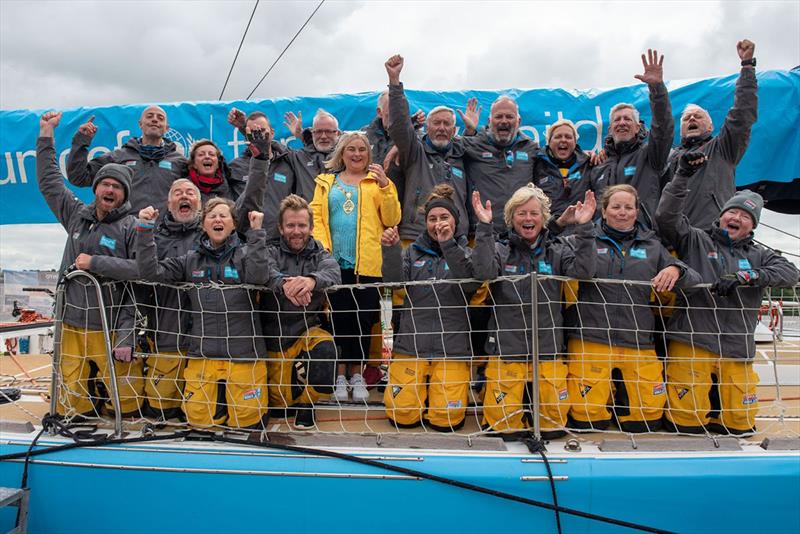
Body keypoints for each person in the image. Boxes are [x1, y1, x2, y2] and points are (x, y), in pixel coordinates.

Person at [656, 152, 800, 435]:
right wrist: (682, 175)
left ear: (753, 226)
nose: (737, 218)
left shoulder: (761, 255)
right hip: (692, 343)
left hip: (736, 349)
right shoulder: (696, 238)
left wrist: (748, 277)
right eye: (732, 212)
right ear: (721, 216)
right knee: (685, 423)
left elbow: (791, 273)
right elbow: (666, 215)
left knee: (740, 423)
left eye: (746, 216)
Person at [562, 184, 701, 433]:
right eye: (615, 207)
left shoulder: (653, 246)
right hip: (591, 336)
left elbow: (693, 277)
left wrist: (676, 269)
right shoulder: (580, 240)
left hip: (637, 337)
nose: (622, 212)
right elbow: (546, 249)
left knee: (646, 418)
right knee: (586, 419)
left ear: (637, 212)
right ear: (603, 212)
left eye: (628, 207)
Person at [37, 111, 143, 419]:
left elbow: (141, 272)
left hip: (110, 325)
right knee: (71, 394)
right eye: (105, 184)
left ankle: (125, 433)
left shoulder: (132, 227)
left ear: (124, 195)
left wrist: (97, 263)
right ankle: (76, 422)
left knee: (125, 398)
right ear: (95, 188)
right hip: (70, 321)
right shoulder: (76, 215)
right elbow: (49, 181)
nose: (110, 190)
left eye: (117, 187)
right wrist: (46, 134)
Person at [473, 184, 597, 437]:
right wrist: (484, 227)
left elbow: (584, 271)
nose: (528, 218)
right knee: (503, 429)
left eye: (534, 213)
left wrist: (584, 227)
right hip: (507, 348)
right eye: (521, 213)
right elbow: (484, 272)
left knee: (553, 427)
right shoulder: (499, 248)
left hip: (547, 348)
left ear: (544, 218)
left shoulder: (558, 250)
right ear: (511, 218)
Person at [136, 198, 270, 429]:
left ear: (233, 224)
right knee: (199, 421)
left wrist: (257, 234)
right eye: (212, 216)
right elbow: (150, 272)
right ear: (204, 224)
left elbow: (259, 277)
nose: (218, 219)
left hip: (244, 356)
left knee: (248, 424)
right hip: (203, 355)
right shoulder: (190, 260)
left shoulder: (247, 254)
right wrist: (145, 230)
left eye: (223, 215)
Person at [310, 132, 401, 403]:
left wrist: (385, 187)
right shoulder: (326, 182)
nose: (357, 154)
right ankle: (339, 376)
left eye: (362, 149)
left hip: (369, 265)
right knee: (338, 321)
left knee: (362, 322)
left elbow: (393, 218)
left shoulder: (379, 183)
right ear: (342, 153)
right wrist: (322, 247)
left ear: (369, 154)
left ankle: (358, 374)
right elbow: (316, 217)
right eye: (351, 149)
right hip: (334, 265)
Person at [381, 184, 480, 431]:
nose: (438, 223)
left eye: (444, 217)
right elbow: (393, 284)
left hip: (452, 348)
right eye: (432, 219)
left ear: (455, 222)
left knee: (447, 420)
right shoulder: (412, 252)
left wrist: (448, 246)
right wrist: (391, 250)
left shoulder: (466, 252)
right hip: (412, 345)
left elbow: (470, 286)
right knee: (401, 415)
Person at [263, 194, 341, 429]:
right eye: (290, 225)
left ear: (311, 227)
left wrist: (310, 280)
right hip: (272, 336)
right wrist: (284, 285)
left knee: (326, 347)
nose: (296, 231)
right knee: (280, 403)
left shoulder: (320, 254)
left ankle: (309, 403)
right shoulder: (270, 251)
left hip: (306, 331)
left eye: (301, 225)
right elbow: (263, 270)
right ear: (280, 227)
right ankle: (288, 396)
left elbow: (333, 271)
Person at [384, 54, 479, 242]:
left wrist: (472, 132)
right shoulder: (414, 152)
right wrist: (395, 83)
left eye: (446, 124)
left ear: (454, 130)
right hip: (416, 237)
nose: (441, 128)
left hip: (458, 237)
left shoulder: (461, 154)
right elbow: (400, 127)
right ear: (427, 127)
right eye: (437, 123)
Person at [665, 40, 758, 229]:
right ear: (680, 128)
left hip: (712, 236)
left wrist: (747, 66)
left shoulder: (723, 147)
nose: (691, 119)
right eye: (686, 118)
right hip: (673, 238)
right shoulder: (669, 156)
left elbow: (742, 114)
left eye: (697, 116)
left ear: (710, 125)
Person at [591, 49, 674, 229]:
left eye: (627, 119)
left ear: (638, 127)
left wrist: (657, 89)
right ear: (610, 129)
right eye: (617, 120)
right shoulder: (599, 166)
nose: (622, 123)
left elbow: (663, 128)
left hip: (643, 240)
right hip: (604, 242)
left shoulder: (650, 155)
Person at [67, 105, 188, 217]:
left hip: (166, 236)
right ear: (140, 124)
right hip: (125, 234)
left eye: (160, 118)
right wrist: (81, 140)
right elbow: (79, 177)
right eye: (150, 116)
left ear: (167, 128)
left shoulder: (180, 162)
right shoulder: (118, 157)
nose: (155, 120)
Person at [462, 95, 540, 235]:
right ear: (490, 121)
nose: (504, 121)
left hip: (521, 234)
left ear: (519, 121)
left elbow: (557, 159)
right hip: (483, 232)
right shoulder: (474, 144)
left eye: (509, 116)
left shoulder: (532, 149)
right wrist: (469, 132)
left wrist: (588, 157)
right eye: (499, 117)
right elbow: (442, 148)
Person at [227, 109, 297, 240]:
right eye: (253, 133)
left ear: (272, 132)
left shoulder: (288, 163)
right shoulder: (235, 167)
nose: (258, 136)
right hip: (247, 240)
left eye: (262, 131)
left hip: (282, 241)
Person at [534, 119, 596, 227]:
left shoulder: (589, 163)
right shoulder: (536, 165)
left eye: (568, 137)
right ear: (549, 141)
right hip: (549, 237)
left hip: (580, 234)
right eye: (558, 136)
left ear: (575, 142)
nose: (563, 140)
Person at [282, 109, 342, 201]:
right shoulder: (298, 157)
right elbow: (269, 151)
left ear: (338, 133)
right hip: (307, 214)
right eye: (318, 132)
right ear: (312, 133)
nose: (323, 136)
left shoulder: (348, 157)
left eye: (328, 131)